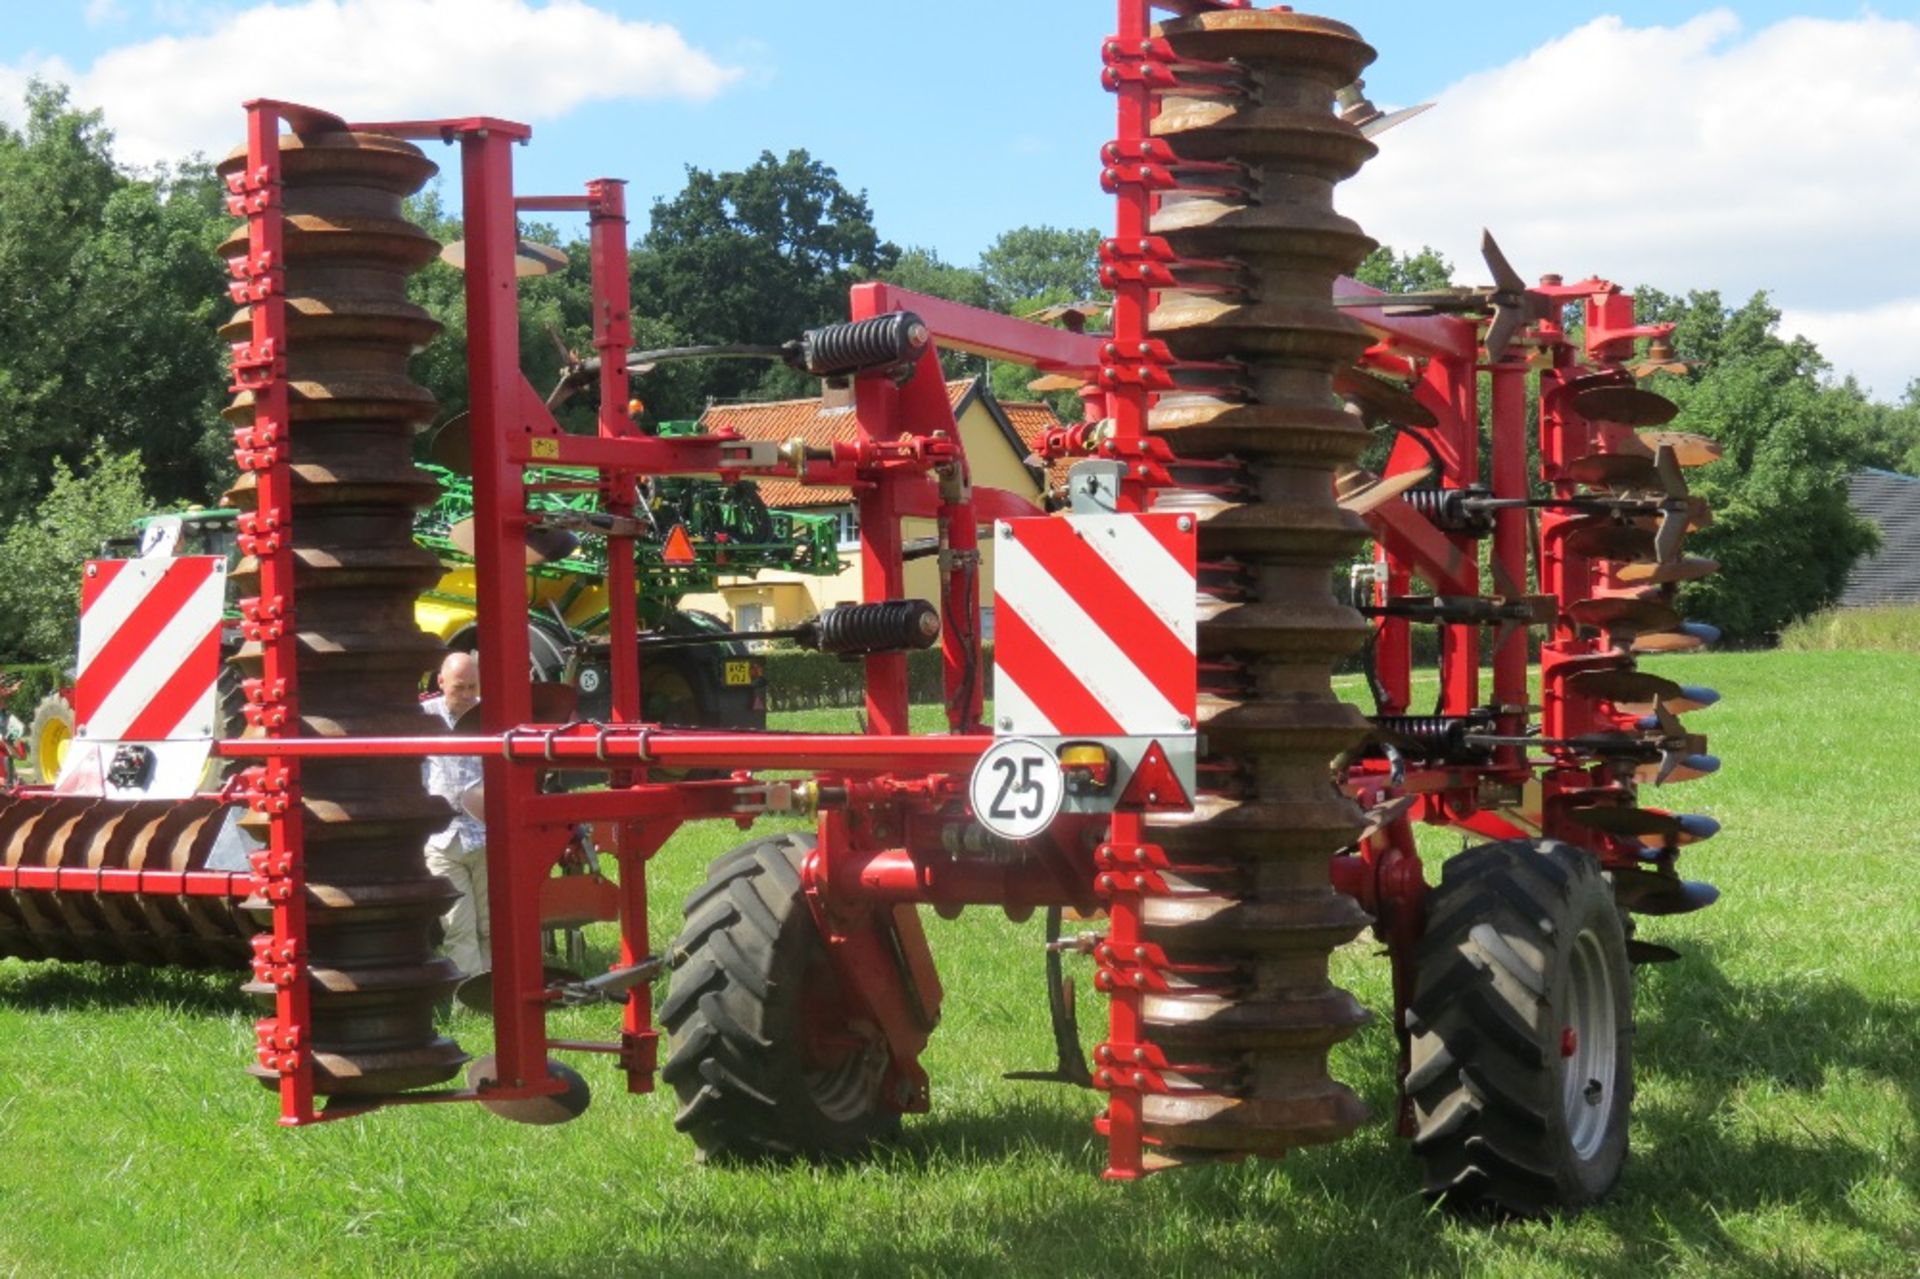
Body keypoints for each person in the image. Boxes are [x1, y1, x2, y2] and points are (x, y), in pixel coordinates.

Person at [421, 651, 489, 978]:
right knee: (459, 926)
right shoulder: (422, 718)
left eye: (472, 687)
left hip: (486, 835)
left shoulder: (493, 714)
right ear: (441, 682)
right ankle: (471, 996)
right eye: (458, 687)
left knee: (492, 925)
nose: (466, 696)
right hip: (442, 839)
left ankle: (496, 994)